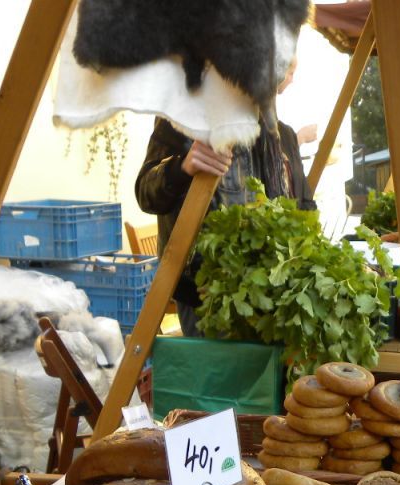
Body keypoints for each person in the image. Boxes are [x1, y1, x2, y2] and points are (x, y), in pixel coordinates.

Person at [135, 57, 317, 337]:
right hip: (204, 295)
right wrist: (182, 166)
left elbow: (304, 209)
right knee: (217, 378)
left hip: (269, 296)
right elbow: (146, 194)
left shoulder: (284, 138)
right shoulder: (184, 118)